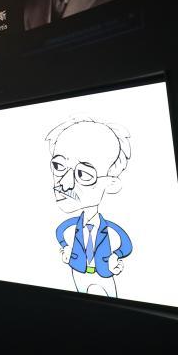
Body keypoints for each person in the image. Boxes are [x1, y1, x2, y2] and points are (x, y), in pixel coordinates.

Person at [46, 117, 134, 297]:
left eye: (84, 174)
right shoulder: (71, 225)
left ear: (111, 184)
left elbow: (126, 244)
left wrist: (116, 256)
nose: (65, 184)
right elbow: (60, 232)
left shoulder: (110, 228)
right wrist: (65, 247)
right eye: (58, 166)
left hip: (104, 275)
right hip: (78, 272)